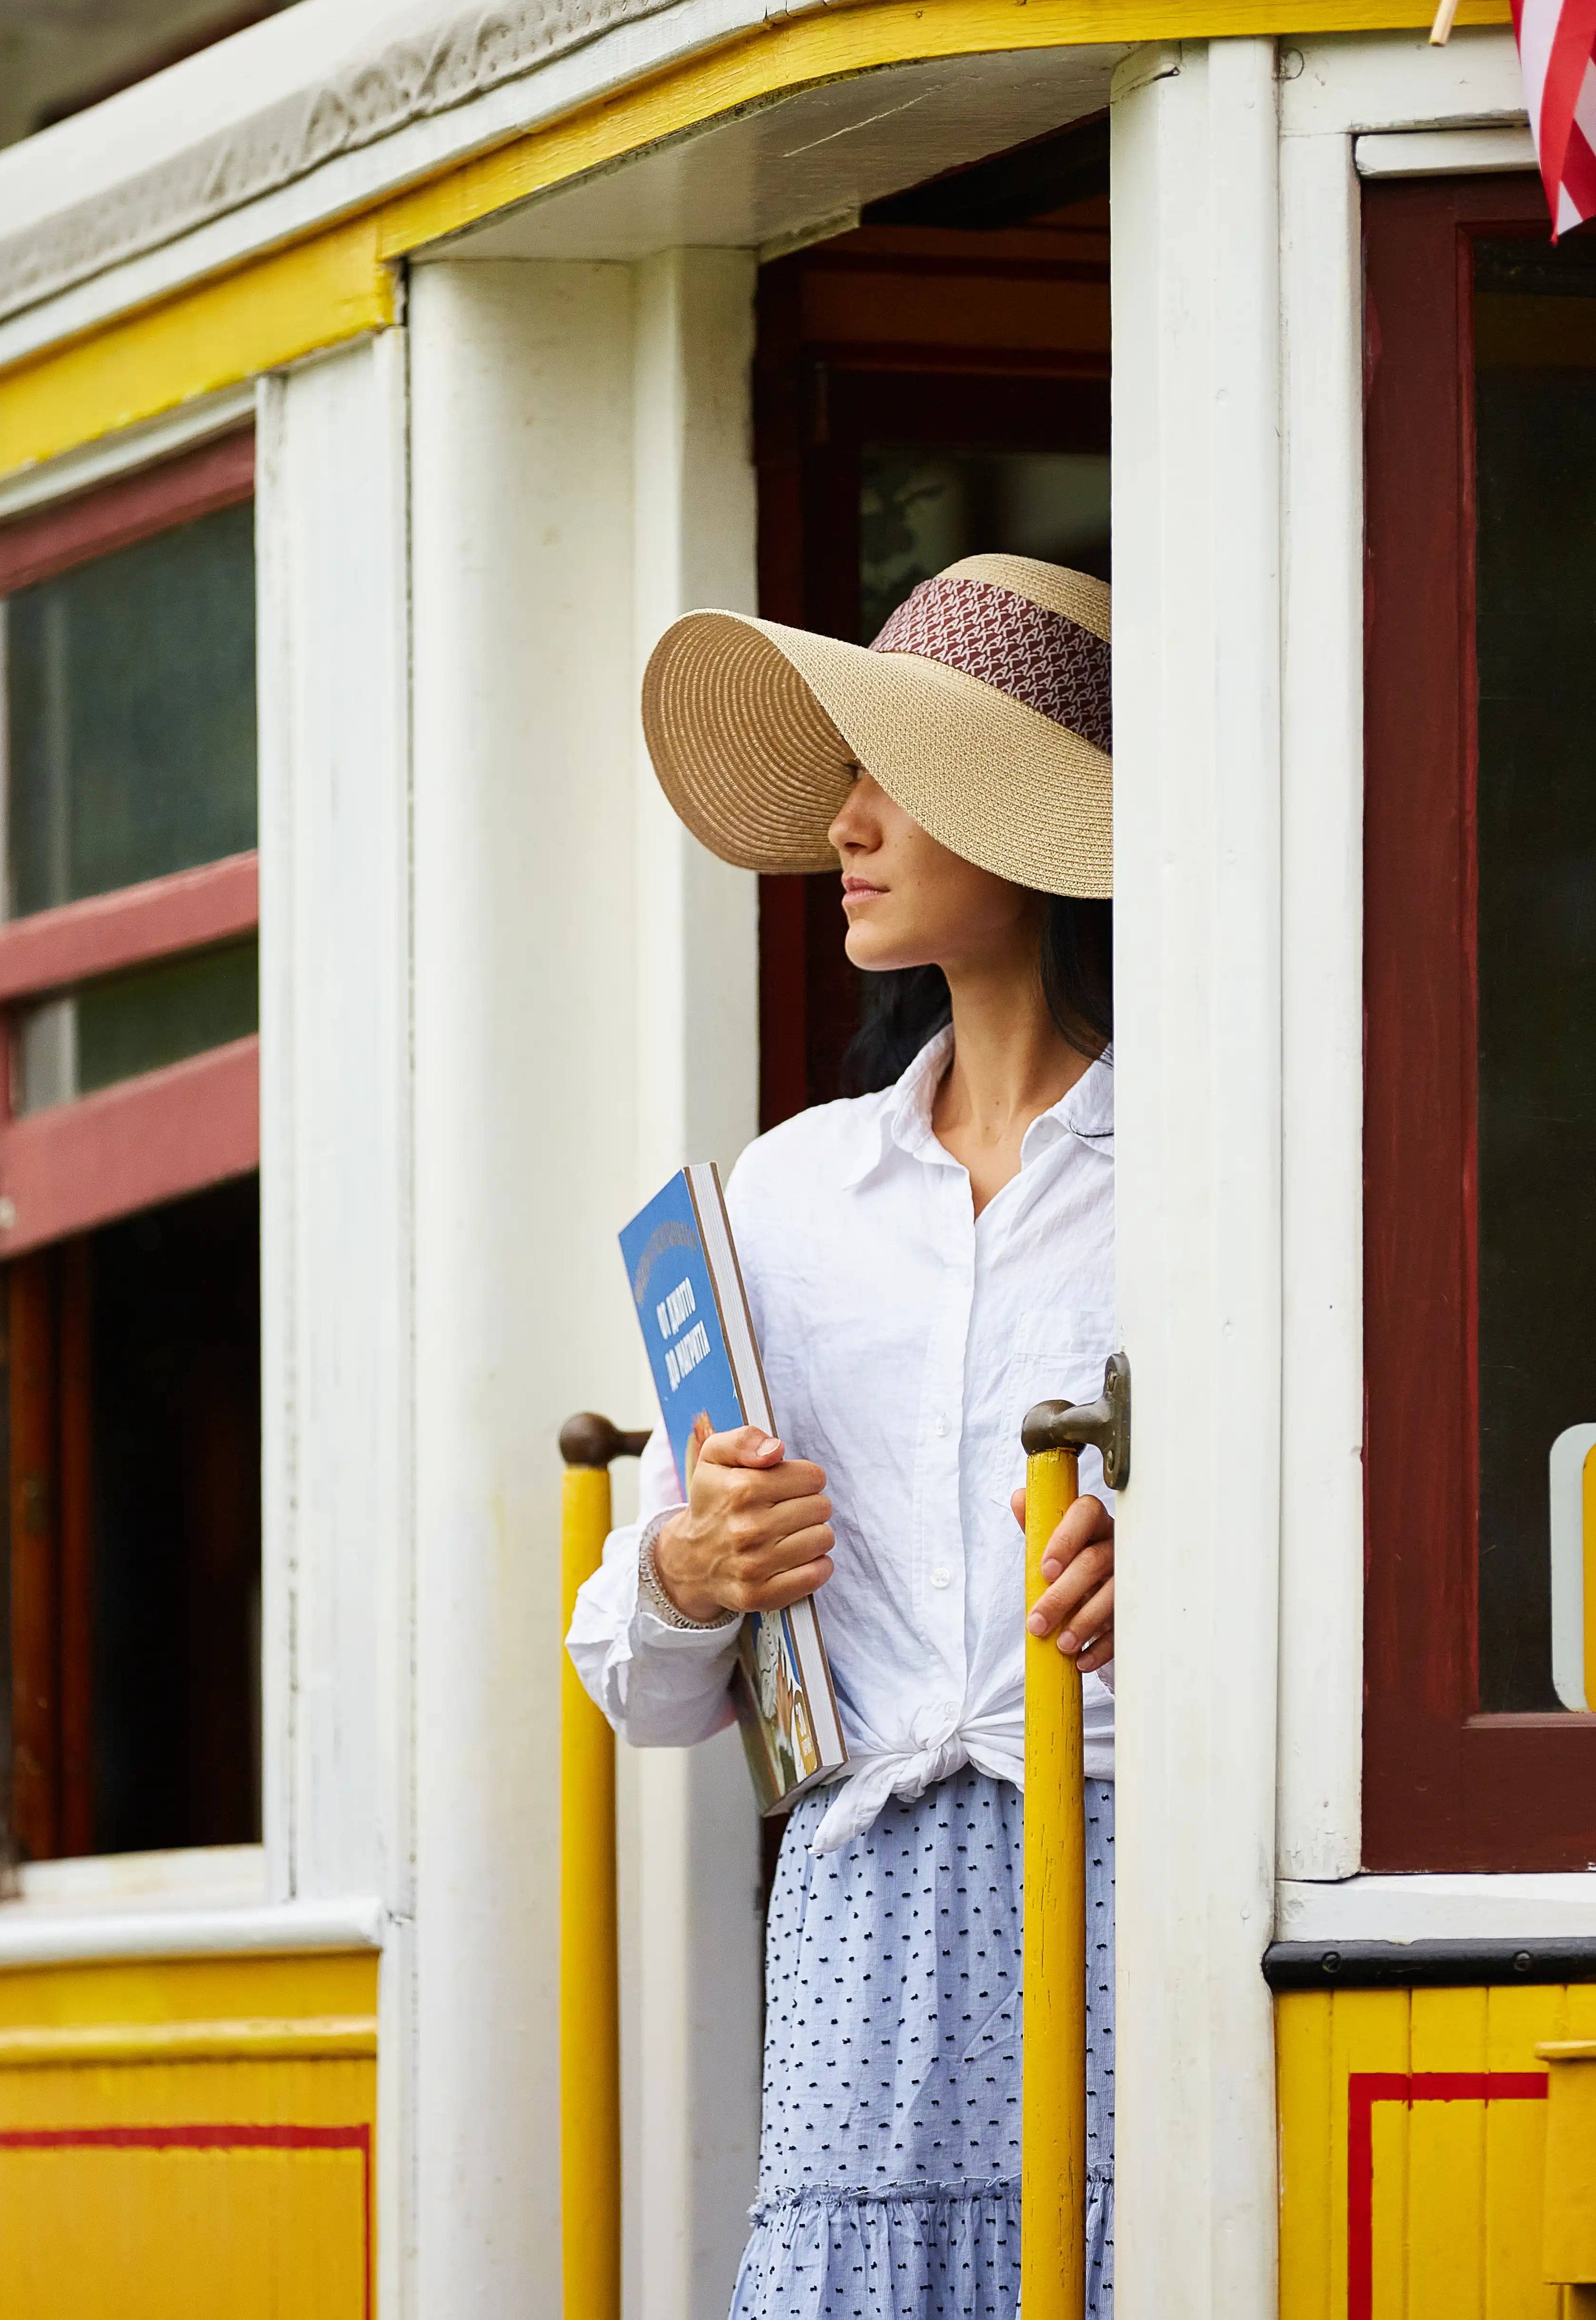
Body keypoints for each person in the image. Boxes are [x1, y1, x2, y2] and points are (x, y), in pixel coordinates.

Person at [567, 553, 1117, 2319]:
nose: (847, 823)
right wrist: (681, 1563)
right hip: (862, 1909)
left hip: (1131, 1872)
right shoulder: (788, 1200)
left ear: (1027, 832)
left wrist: (1179, 1585)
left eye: (900, 774)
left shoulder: (1211, 1178)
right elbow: (637, 1685)